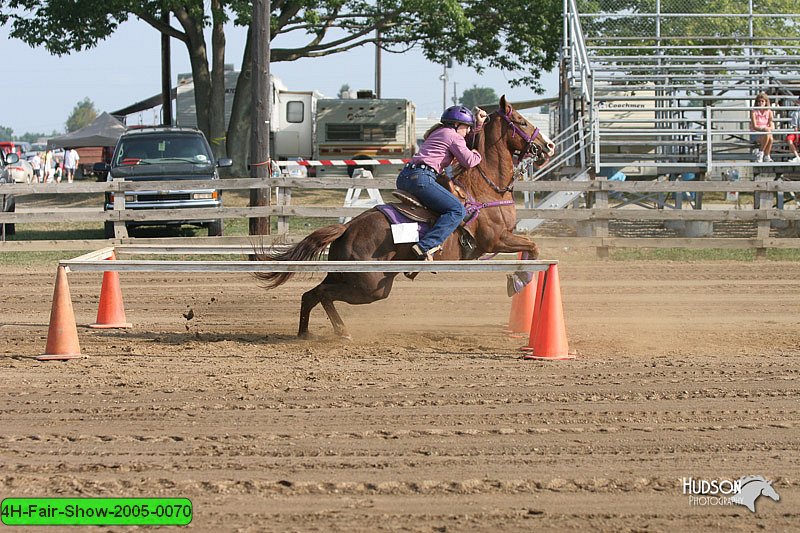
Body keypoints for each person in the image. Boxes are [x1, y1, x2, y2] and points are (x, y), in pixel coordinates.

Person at [396, 105, 488, 261]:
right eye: (466, 127)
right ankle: (425, 247)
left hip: (406, 176)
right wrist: (477, 153)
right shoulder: (453, 136)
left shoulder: (439, 132)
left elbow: (463, 141)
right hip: (422, 178)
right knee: (457, 210)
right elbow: (469, 161)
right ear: (456, 125)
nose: (467, 132)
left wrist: (477, 125)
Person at [750, 92, 774, 163]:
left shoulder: (769, 112)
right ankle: (765, 155)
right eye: (759, 101)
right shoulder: (754, 112)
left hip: (766, 132)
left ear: (766, 102)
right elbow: (754, 126)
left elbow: (771, 124)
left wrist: (768, 129)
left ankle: (762, 154)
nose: (760, 103)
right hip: (756, 133)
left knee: (770, 137)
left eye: (762, 101)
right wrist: (763, 129)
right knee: (769, 135)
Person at [786, 97, 800, 163]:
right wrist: (797, 137)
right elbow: (795, 126)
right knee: (789, 138)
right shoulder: (796, 113)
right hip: (798, 131)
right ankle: (797, 156)